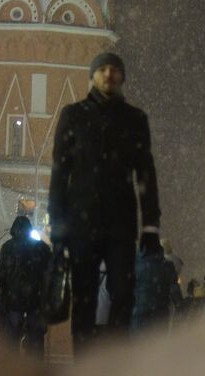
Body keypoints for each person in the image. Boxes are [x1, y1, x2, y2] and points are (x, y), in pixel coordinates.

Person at [47, 52, 161, 352]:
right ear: (93, 76)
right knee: (83, 296)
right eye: (103, 70)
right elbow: (60, 173)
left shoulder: (135, 119)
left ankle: (114, 361)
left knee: (123, 293)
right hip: (81, 223)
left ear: (122, 77)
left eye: (114, 70)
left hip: (120, 224)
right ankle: (84, 362)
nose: (109, 75)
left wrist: (151, 225)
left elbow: (145, 174)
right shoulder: (73, 115)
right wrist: (57, 224)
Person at [0, 214, 50, 355]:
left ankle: (12, 369)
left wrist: (5, 292)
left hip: (13, 300)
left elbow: (0, 274)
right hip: (35, 300)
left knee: (12, 338)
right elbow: (49, 275)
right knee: (35, 339)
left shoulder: (7, 247)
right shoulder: (41, 248)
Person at [132, 234, 182, 330]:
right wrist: (180, 304)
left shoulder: (135, 265)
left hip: (139, 310)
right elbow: (173, 288)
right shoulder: (167, 265)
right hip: (160, 309)